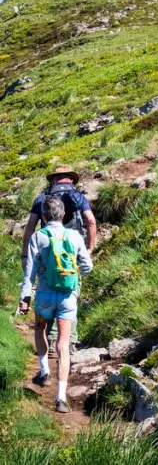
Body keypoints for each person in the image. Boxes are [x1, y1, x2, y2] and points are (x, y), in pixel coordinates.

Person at [19, 195, 93, 413]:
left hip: (44, 294)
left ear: (43, 217)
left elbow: (29, 272)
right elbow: (87, 266)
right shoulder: (74, 235)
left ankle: (44, 373)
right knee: (63, 344)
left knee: (40, 328)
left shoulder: (38, 237)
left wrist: (25, 298)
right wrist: (75, 279)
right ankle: (61, 398)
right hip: (67, 296)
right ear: (63, 214)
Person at [22, 165, 96, 352]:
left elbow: (30, 226)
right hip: (72, 254)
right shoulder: (78, 197)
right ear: (71, 179)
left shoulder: (43, 198)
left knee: (48, 290)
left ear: (54, 179)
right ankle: (69, 343)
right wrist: (89, 249)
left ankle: (50, 341)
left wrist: (25, 254)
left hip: (47, 251)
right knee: (70, 295)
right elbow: (91, 221)